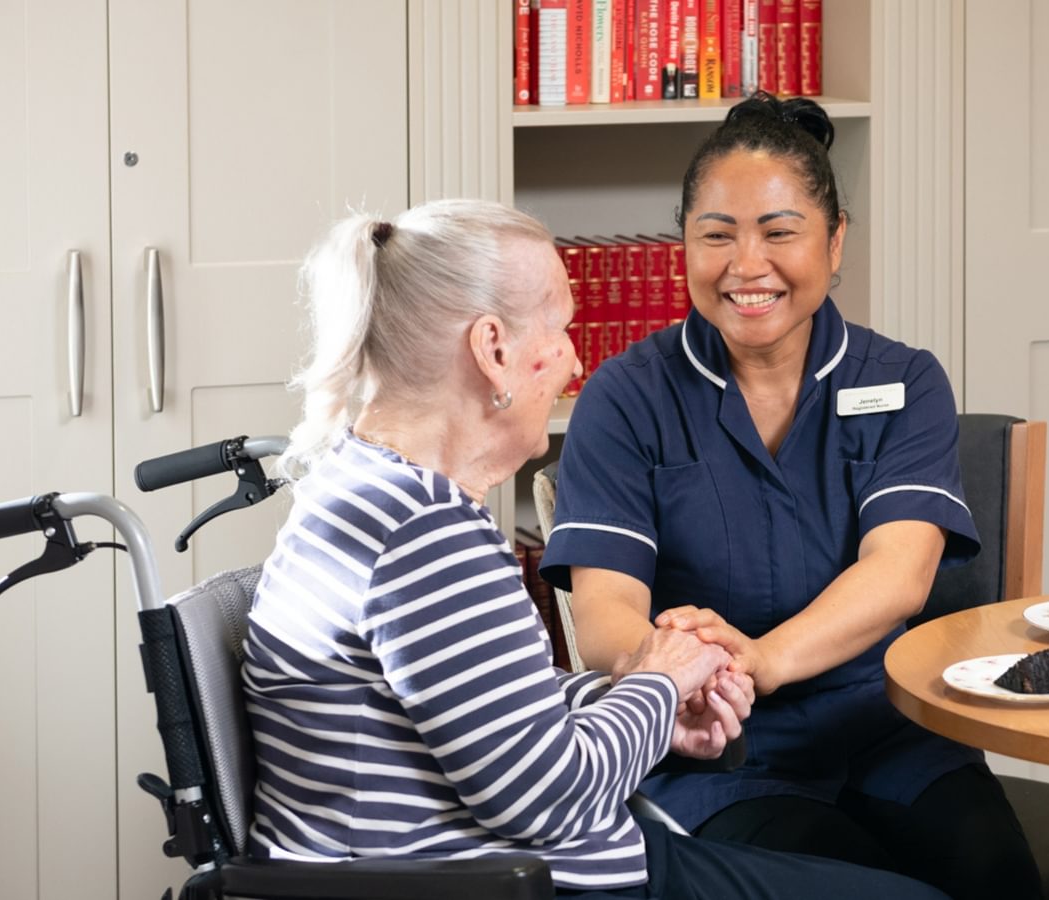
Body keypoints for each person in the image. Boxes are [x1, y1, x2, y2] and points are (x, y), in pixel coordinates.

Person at [241, 198, 951, 899]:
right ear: (493, 350)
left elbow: (495, 714)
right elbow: (550, 799)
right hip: (530, 883)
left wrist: (641, 703)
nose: (575, 359)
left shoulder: (360, 489)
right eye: (558, 327)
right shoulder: (423, 538)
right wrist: (662, 681)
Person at [540, 95, 1044, 899]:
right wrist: (692, 674)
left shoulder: (902, 380)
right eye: (716, 235)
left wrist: (763, 660)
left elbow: (900, 573)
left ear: (835, 239)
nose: (747, 265)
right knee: (857, 886)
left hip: (889, 731)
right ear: (683, 246)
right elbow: (604, 619)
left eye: (779, 232)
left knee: (997, 880)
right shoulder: (624, 397)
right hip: (715, 747)